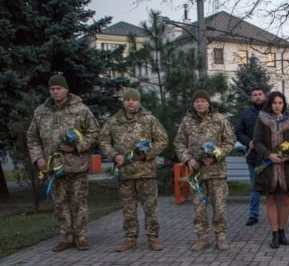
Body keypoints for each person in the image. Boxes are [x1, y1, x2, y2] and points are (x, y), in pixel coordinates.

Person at [27, 74, 100, 252]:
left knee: (78, 202)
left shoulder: (81, 110)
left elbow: (95, 132)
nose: (55, 92)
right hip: (54, 167)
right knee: (60, 204)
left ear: (66, 90)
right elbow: (32, 137)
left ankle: (81, 237)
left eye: (59, 88)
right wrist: (39, 158)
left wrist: (78, 147)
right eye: (52, 89)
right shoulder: (41, 112)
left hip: (77, 166)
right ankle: (66, 237)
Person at [98, 88, 168, 252]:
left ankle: (153, 238)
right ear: (123, 102)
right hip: (125, 173)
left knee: (150, 207)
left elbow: (162, 140)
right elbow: (103, 141)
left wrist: (147, 154)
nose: (131, 102)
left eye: (134, 100)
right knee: (128, 208)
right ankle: (130, 238)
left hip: (146, 172)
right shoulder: (113, 121)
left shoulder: (149, 120)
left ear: (139, 102)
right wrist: (114, 155)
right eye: (128, 99)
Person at [174, 90, 235, 252]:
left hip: (217, 172)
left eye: (202, 101)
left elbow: (229, 141)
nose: (199, 103)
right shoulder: (186, 121)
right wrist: (188, 159)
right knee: (199, 208)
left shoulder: (219, 120)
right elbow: (179, 143)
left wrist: (216, 156)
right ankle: (202, 238)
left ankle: (220, 237)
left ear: (208, 103)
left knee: (219, 207)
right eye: (197, 101)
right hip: (197, 174)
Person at [253, 91, 289, 248]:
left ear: (284, 104)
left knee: (285, 201)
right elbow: (257, 141)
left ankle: (282, 232)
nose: (277, 106)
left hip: (287, 167)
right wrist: (269, 154)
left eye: (280, 103)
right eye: (274, 103)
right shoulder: (262, 119)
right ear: (270, 104)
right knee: (271, 201)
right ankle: (274, 234)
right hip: (268, 167)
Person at [235, 87, 266, 226]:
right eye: (255, 95)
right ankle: (253, 215)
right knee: (255, 187)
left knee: (274, 186)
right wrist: (248, 142)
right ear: (251, 97)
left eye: (260, 94)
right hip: (253, 156)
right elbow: (239, 132)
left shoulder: (271, 111)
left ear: (264, 96)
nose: (257, 97)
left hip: (270, 156)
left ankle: (276, 213)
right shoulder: (245, 113)